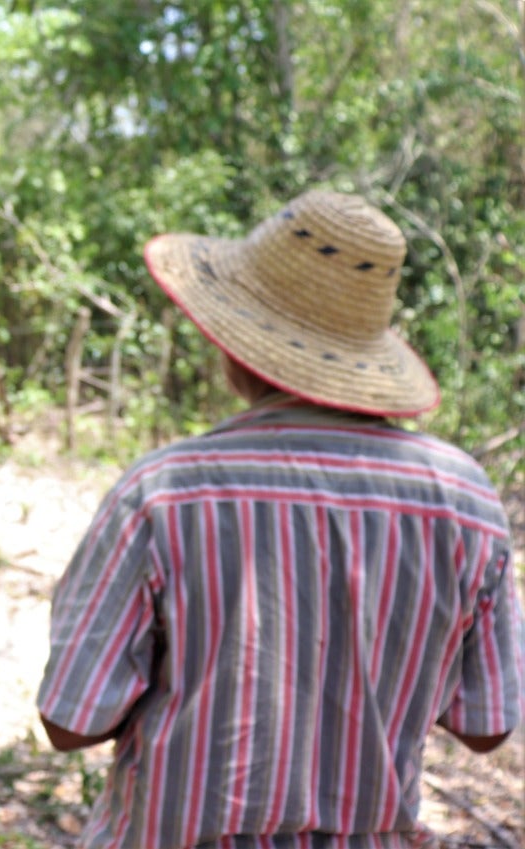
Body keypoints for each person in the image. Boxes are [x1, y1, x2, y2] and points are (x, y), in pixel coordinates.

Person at [37, 190, 523, 848]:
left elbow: (72, 720)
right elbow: (486, 723)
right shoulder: (463, 498)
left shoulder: (165, 492)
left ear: (236, 347)